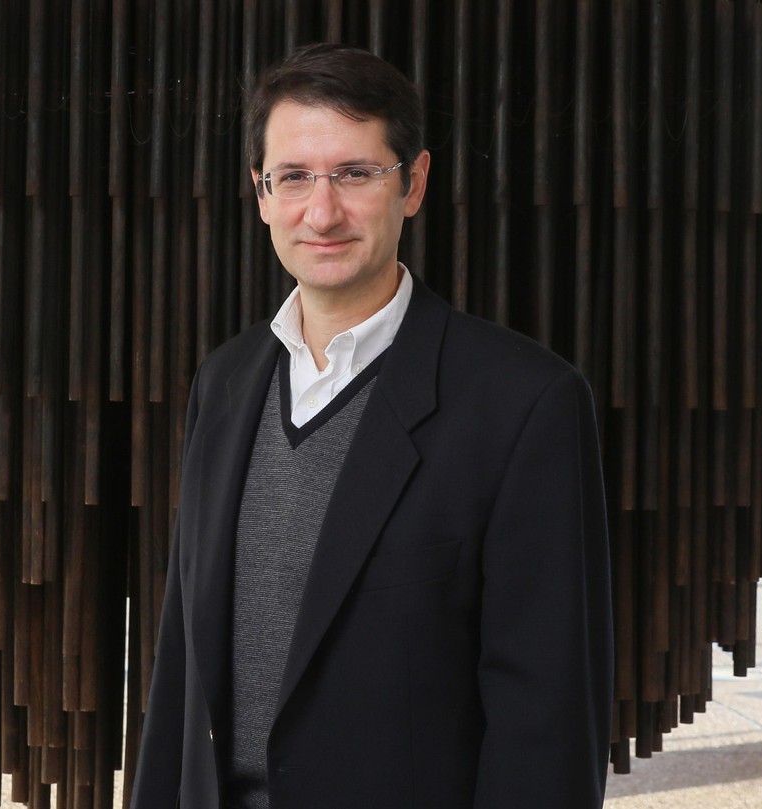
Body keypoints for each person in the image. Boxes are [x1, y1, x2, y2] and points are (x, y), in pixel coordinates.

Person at [130, 43, 613, 809]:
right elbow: (181, 675)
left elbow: (545, 727)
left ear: (413, 183)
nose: (321, 212)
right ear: (259, 193)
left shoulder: (525, 404)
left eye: (356, 174)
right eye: (293, 177)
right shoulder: (223, 383)